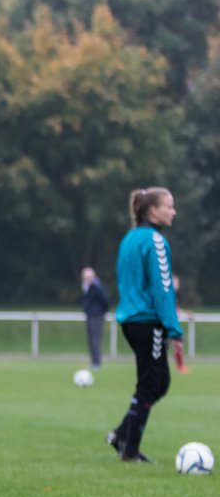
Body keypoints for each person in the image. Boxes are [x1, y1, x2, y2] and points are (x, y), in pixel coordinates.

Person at [106, 187, 184, 463]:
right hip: (147, 321)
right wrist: (174, 328)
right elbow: (163, 290)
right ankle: (129, 450)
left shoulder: (129, 239)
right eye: (169, 206)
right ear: (154, 211)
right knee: (151, 384)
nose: (173, 211)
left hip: (131, 319)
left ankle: (120, 435)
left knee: (158, 383)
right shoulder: (156, 242)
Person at [80, 266, 110, 370]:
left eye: (88, 277)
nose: (86, 279)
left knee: (95, 339)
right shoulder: (86, 287)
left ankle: (97, 362)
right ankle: (93, 361)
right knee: (91, 340)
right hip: (89, 316)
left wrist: (102, 312)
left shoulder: (98, 287)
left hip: (97, 316)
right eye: (85, 277)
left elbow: (105, 300)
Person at [172, 274, 191, 374]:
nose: (176, 284)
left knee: (178, 344)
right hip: (167, 323)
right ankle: (180, 366)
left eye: (176, 282)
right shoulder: (167, 295)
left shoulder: (172, 296)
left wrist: (185, 313)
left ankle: (180, 367)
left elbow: (175, 310)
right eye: (175, 282)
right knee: (177, 344)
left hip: (171, 322)